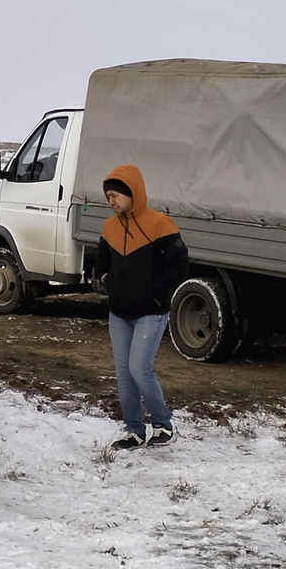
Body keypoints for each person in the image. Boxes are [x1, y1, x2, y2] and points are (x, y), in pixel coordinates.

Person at [95, 165, 189, 450]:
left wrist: (154, 291)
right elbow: (101, 264)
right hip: (119, 313)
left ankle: (163, 425)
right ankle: (134, 430)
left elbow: (179, 266)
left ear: (132, 193)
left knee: (140, 368)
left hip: (151, 311)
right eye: (108, 196)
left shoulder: (161, 225)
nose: (111, 201)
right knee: (124, 373)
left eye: (115, 195)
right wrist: (107, 280)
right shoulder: (109, 227)